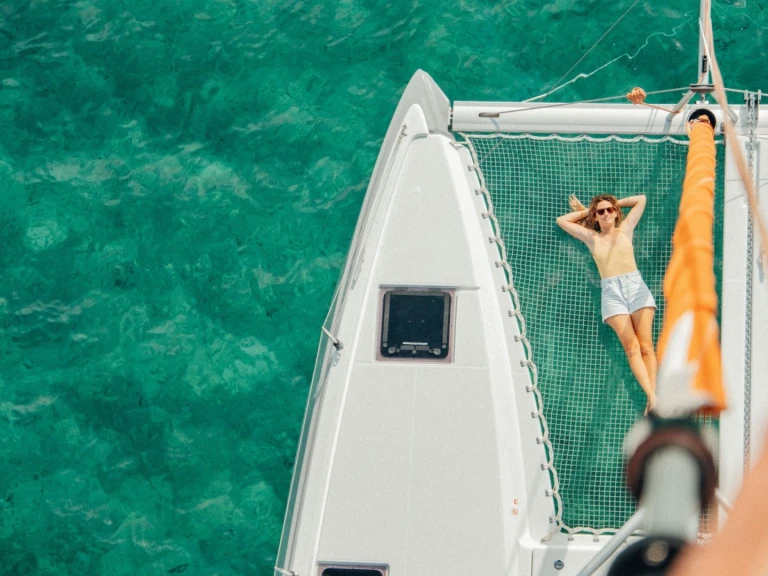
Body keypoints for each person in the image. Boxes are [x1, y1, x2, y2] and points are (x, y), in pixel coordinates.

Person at [556, 194, 657, 414]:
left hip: (636, 287)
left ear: (616, 213)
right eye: (601, 212)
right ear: (595, 216)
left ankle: (653, 397)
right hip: (612, 293)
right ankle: (652, 396)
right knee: (632, 348)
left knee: (646, 347)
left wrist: (614, 203)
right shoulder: (592, 237)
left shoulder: (625, 229)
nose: (606, 214)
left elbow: (641, 199)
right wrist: (589, 210)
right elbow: (561, 220)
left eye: (609, 210)